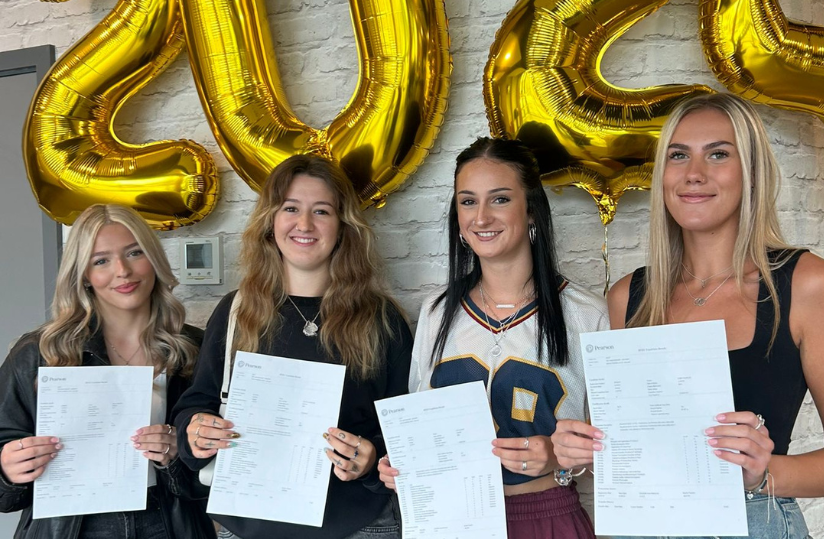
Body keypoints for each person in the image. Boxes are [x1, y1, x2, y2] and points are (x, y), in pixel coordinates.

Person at [552, 93, 824, 539]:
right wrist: (582, 452)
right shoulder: (629, 296)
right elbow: (628, 454)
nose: (694, 174)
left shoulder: (805, 284)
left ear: (751, 173)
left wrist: (763, 473)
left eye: (719, 154)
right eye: (678, 155)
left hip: (754, 522)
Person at [378, 137, 609, 538]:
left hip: (544, 517)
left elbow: (621, 447)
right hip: (447, 519)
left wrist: (557, 457)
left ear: (532, 209)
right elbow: (421, 423)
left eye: (499, 199)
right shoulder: (436, 311)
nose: (481, 217)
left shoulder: (586, 313)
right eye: (468, 202)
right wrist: (401, 463)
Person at [173, 154, 412, 539]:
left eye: (321, 211)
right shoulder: (236, 311)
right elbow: (196, 403)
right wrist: (195, 430)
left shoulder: (381, 319)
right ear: (271, 221)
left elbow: (406, 428)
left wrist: (370, 459)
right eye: (291, 208)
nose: (304, 224)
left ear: (342, 226)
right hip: (248, 525)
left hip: (355, 525)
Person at [0, 204, 213, 539]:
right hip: (71, 527)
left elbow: (221, 474)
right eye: (101, 260)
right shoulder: (39, 352)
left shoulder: (195, 348)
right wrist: (7, 469)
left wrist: (178, 452)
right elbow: (4, 456)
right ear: (84, 273)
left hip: (167, 524)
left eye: (134, 253)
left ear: (154, 258)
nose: (123, 271)